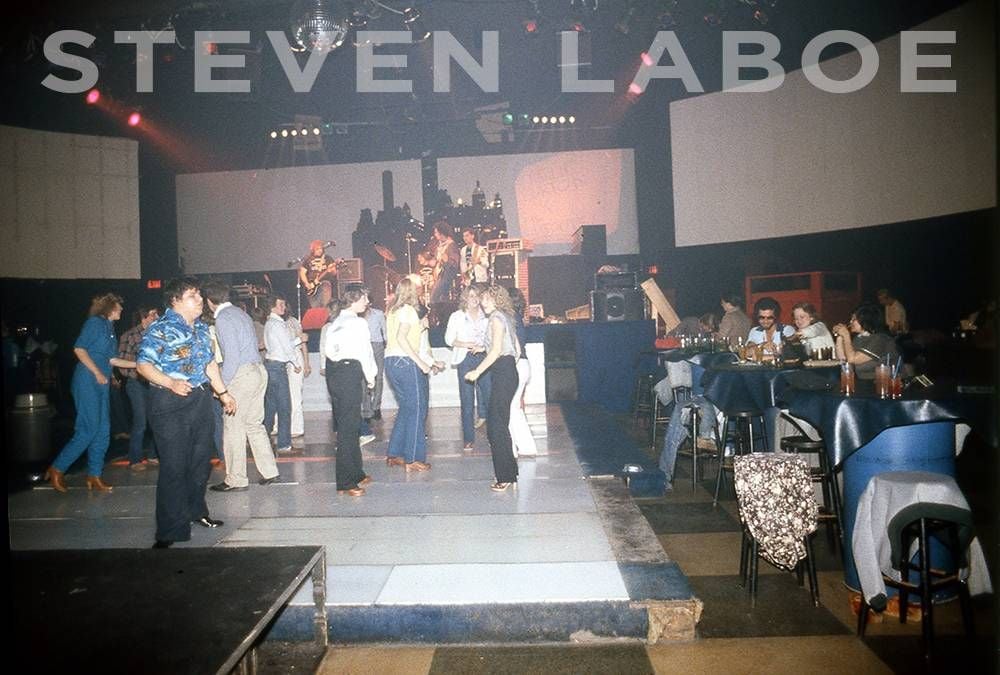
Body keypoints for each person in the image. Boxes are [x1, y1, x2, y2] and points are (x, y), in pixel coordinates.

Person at [136, 278, 236, 548]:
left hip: (200, 399)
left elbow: (210, 365)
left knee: (200, 462)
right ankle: (170, 530)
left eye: (199, 295)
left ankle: (197, 512)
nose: (200, 299)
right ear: (175, 300)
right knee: (174, 465)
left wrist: (223, 393)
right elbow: (143, 365)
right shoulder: (161, 329)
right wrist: (170, 382)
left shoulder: (203, 329)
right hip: (169, 401)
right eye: (192, 295)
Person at [46, 294, 135, 493]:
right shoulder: (95, 323)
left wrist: (139, 365)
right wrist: (96, 372)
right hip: (88, 380)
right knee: (88, 428)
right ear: (110, 308)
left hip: (101, 382)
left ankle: (94, 475)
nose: (121, 309)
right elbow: (79, 348)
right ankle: (57, 468)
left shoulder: (109, 328)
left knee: (103, 430)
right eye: (119, 306)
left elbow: (112, 360)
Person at [202, 281, 280, 492]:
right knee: (254, 424)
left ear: (210, 301)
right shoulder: (241, 313)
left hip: (241, 375)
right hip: (257, 369)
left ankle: (236, 479)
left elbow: (232, 357)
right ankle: (270, 471)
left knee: (233, 427)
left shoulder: (223, 319)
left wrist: (222, 388)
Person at [465, 285, 521, 492]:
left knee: (496, 427)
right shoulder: (505, 317)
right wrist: (485, 348)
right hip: (507, 371)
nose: (483, 303)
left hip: (503, 372)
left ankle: (504, 476)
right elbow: (516, 349)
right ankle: (509, 473)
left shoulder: (496, 319)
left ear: (497, 300)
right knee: (499, 424)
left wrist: (477, 371)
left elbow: (498, 349)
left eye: (487, 299)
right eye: (482, 299)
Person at [323, 286, 378, 496]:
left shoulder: (336, 322)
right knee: (348, 429)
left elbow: (329, 351)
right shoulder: (358, 323)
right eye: (365, 298)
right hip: (349, 372)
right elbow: (365, 352)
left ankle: (356, 473)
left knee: (351, 423)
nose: (367, 302)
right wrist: (371, 377)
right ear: (356, 299)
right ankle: (345, 483)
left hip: (334, 372)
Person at [384, 278, 443, 472]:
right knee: (417, 410)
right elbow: (402, 338)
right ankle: (413, 458)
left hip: (391, 361)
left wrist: (421, 326)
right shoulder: (409, 311)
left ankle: (395, 453)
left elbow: (399, 336)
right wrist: (422, 363)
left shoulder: (392, 311)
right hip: (406, 362)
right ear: (413, 292)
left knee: (406, 408)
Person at [444, 284, 492, 450]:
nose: (473, 299)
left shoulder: (487, 316)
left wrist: (484, 346)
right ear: (465, 298)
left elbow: (492, 337)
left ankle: (494, 435)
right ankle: (468, 438)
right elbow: (449, 339)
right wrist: (465, 344)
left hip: (483, 357)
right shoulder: (457, 316)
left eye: (476, 295)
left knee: (489, 397)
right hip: (465, 358)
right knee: (467, 400)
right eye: (470, 296)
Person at [117, 304, 160, 470]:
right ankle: (134, 459)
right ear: (144, 318)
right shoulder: (130, 335)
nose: (157, 318)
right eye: (153, 315)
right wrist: (141, 370)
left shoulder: (157, 334)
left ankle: (153, 454)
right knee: (140, 421)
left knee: (156, 419)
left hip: (155, 383)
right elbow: (121, 363)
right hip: (137, 383)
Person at [263, 294, 300, 454]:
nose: (283, 308)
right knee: (285, 407)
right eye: (280, 305)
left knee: (270, 406)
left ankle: (262, 440)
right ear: (272, 306)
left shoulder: (270, 323)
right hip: (278, 368)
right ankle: (284, 444)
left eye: (284, 305)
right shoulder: (278, 324)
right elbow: (286, 347)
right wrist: (296, 363)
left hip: (270, 366)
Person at [832, 303, 899, 380]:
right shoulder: (859, 337)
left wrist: (846, 336)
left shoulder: (880, 339)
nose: (850, 322)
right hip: (865, 383)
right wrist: (840, 336)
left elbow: (852, 359)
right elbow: (842, 360)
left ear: (866, 320)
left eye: (854, 319)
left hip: (886, 384)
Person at [507, 288, 537, 458]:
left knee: (510, 408)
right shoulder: (517, 318)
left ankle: (512, 449)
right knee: (515, 408)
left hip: (517, 364)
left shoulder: (510, 319)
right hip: (524, 365)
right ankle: (526, 447)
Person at [286, 311, 310, 438]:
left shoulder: (293, 321)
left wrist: (306, 363)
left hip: (295, 357)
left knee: (295, 394)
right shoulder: (273, 322)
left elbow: (303, 343)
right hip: (283, 360)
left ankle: (296, 427)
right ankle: (279, 425)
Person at [429, 222, 460, 319]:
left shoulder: (451, 245)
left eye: (436, 232)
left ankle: (436, 318)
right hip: (440, 275)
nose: (435, 235)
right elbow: (436, 260)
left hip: (447, 276)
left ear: (442, 233)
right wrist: (429, 262)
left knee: (434, 298)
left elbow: (455, 264)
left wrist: (447, 261)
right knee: (441, 299)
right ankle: (442, 319)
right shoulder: (439, 246)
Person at [364, 299, 387, 421]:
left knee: (378, 376)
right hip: (363, 345)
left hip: (377, 344)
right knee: (365, 377)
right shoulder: (357, 316)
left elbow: (384, 329)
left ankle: (376, 407)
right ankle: (366, 410)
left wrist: (385, 343)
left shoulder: (378, 314)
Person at [299, 239, 338, 308]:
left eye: (321, 248)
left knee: (326, 288)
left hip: (324, 283)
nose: (320, 250)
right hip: (312, 286)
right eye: (317, 249)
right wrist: (307, 284)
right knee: (314, 307)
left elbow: (334, 273)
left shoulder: (328, 258)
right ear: (313, 249)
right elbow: (302, 273)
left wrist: (331, 270)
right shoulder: (308, 259)